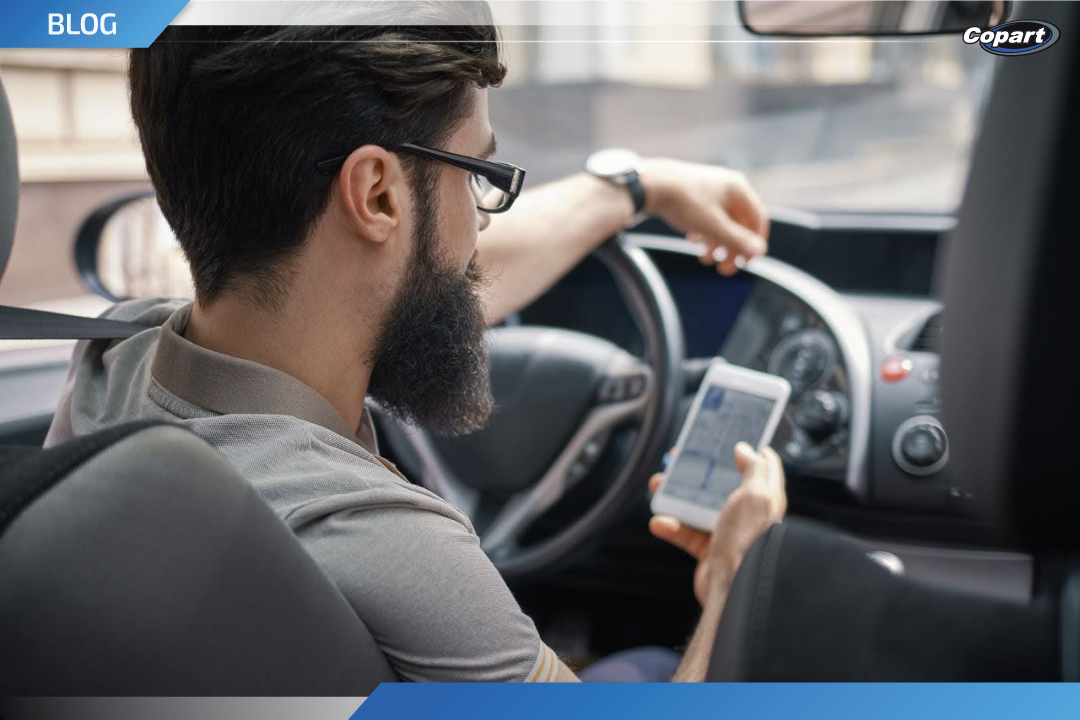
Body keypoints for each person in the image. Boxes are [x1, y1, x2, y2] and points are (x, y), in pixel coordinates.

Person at [46, 8, 786, 683]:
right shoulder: (382, 537)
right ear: (375, 194)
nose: (484, 224)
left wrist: (632, 188)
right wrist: (734, 577)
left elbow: (415, 266)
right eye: (481, 178)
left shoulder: (115, 356)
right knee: (656, 663)